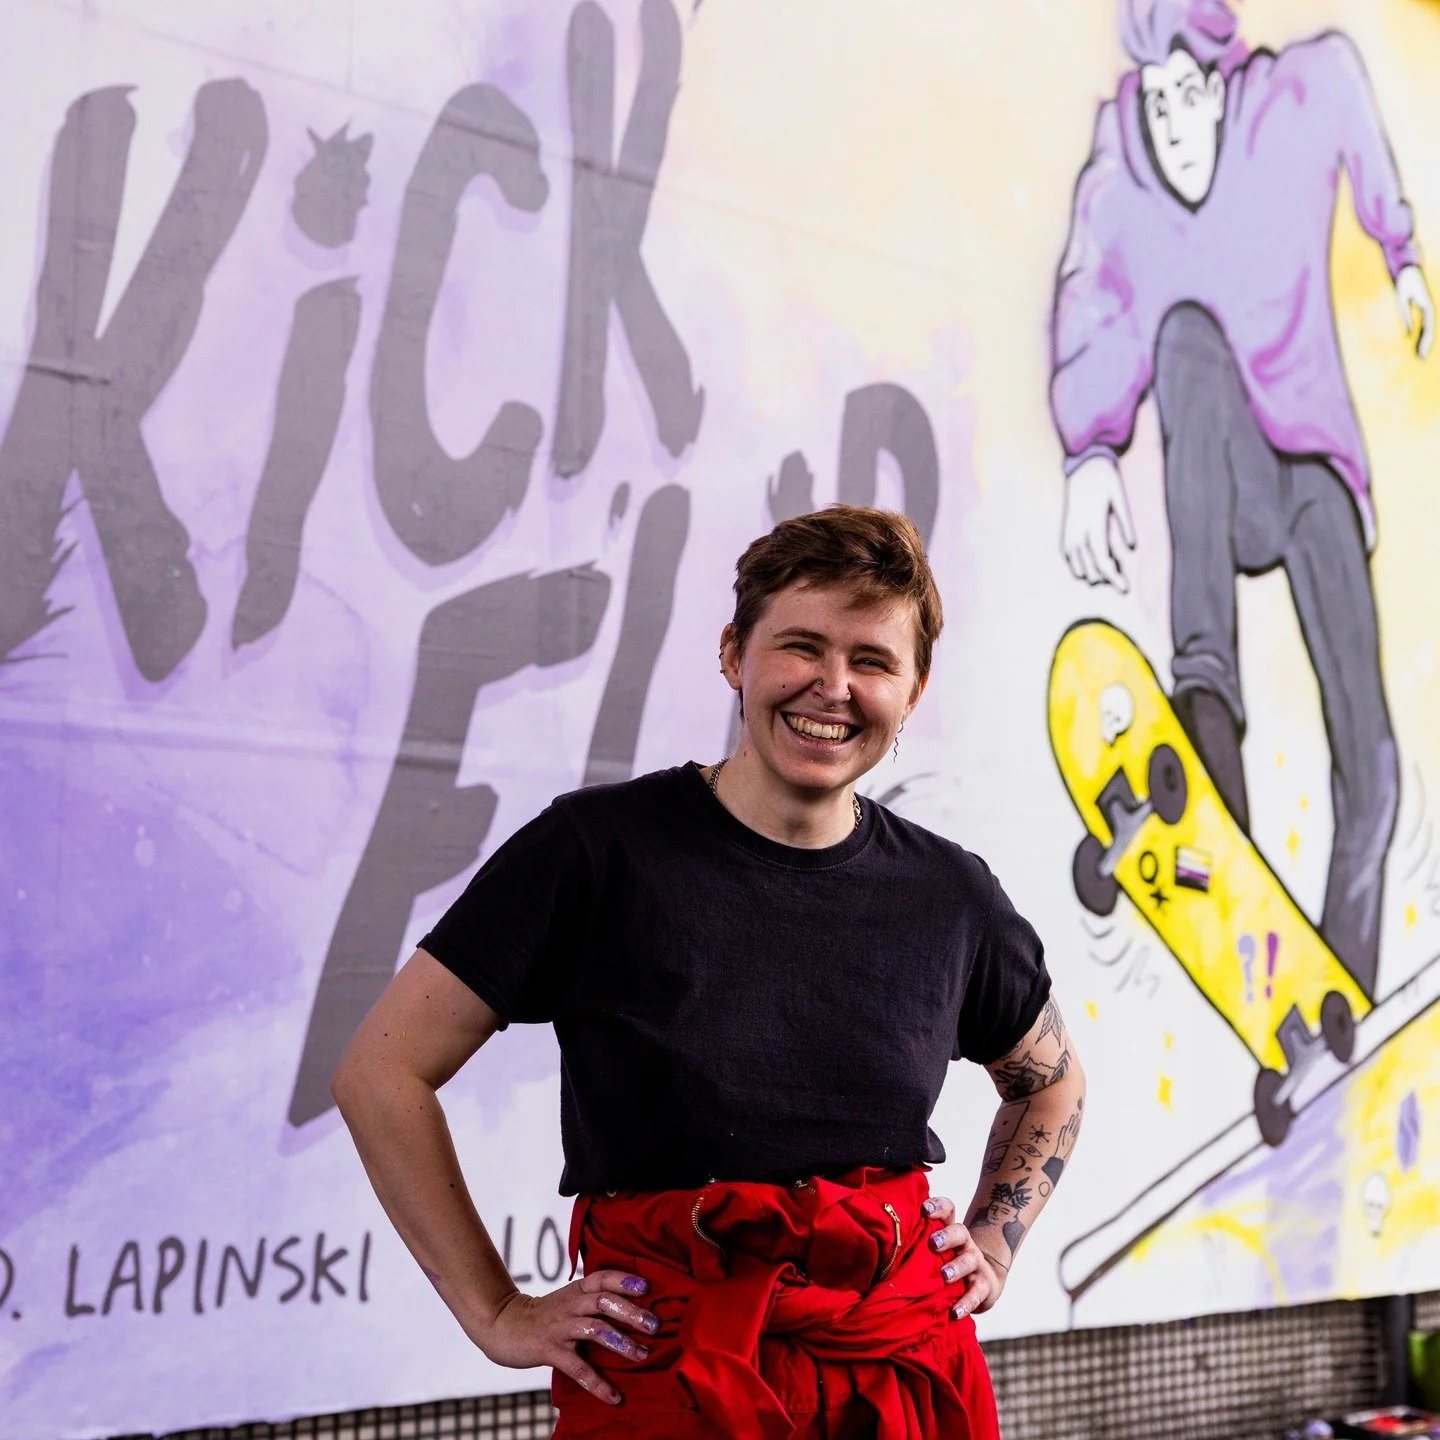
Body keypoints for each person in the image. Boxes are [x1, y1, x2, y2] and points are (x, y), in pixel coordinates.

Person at [332, 505, 1085, 1438]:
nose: (833, 687)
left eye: (874, 661)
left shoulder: (952, 894)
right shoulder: (593, 853)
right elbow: (379, 1072)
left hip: (896, 1374)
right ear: (733, 653)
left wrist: (994, 1244)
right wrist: (495, 1313)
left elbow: (1048, 1085)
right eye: (800, 646)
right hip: (665, 1377)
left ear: (914, 689)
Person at [1050, 0, 1435, 999]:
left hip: (1313, 478)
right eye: (1158, 102)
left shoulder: (1290, 105)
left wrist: (1400, 253)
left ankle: (1336, 982)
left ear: (1222, 86)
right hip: (1218, 471)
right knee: (1181, 338)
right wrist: (1088, 450)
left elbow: (1349, 84)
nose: (1173, 123)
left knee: (1373, 759)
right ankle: (1207, 703)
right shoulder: (1121, 180)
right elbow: (1093, 295)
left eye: (1190, 97)